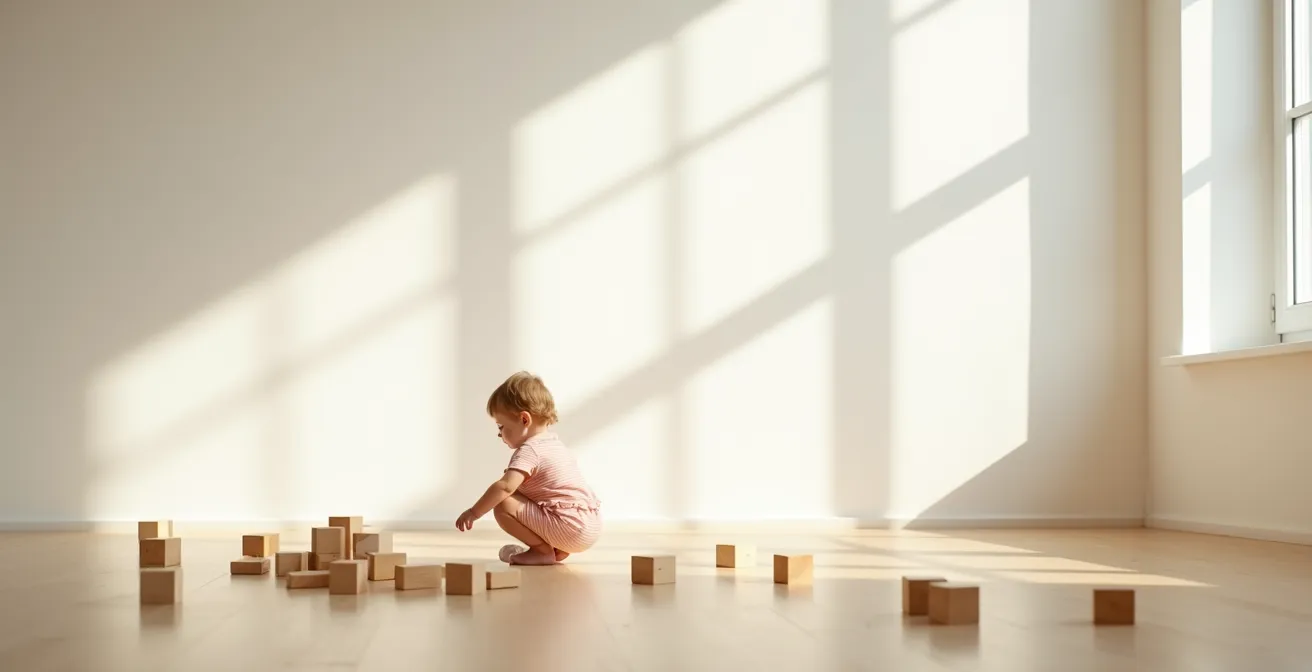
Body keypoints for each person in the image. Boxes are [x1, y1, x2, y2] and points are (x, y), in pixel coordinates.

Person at [455, 371, 602, 565]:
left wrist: (474, 512)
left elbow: (505, 487)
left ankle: (542, 551)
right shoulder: (554, 444)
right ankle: (557, 548)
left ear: (524, 420)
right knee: (525, 493)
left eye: (501, 426)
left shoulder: (530, 450)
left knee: (503, 503)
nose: (499, 435)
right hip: (591, 525)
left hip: (569, 528)